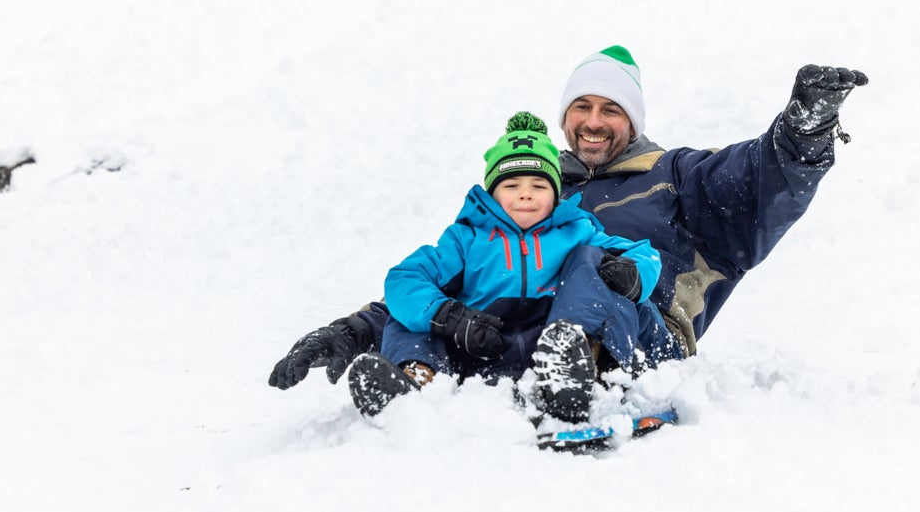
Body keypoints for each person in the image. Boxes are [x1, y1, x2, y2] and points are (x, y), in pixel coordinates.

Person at [269, 46, 870, 404]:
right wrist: (352, 330)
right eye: (581, 106)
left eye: (610, 109)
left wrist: (801, 133)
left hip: (633, 337)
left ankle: (575, 352)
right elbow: (457, 272)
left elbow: (758, 183)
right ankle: (413, 388)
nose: (593, 121)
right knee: (439, 307)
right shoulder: (528, 190)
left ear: (630, 120)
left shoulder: (675, 176)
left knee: (587, 262)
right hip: (513, 334)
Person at [347, 110, 671, 422]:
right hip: (483, 346)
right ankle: (416, 381)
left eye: (539, 186)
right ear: (492, 193)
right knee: (409, 316)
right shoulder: (467, 240)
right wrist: (449, 318)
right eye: (512, 186)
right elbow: (405, 278)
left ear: (556, 194)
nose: (526, 195)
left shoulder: (577, 231)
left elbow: (643, 253)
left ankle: (577, 366)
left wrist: (633, 274)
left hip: (553, 345)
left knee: (597, 266)